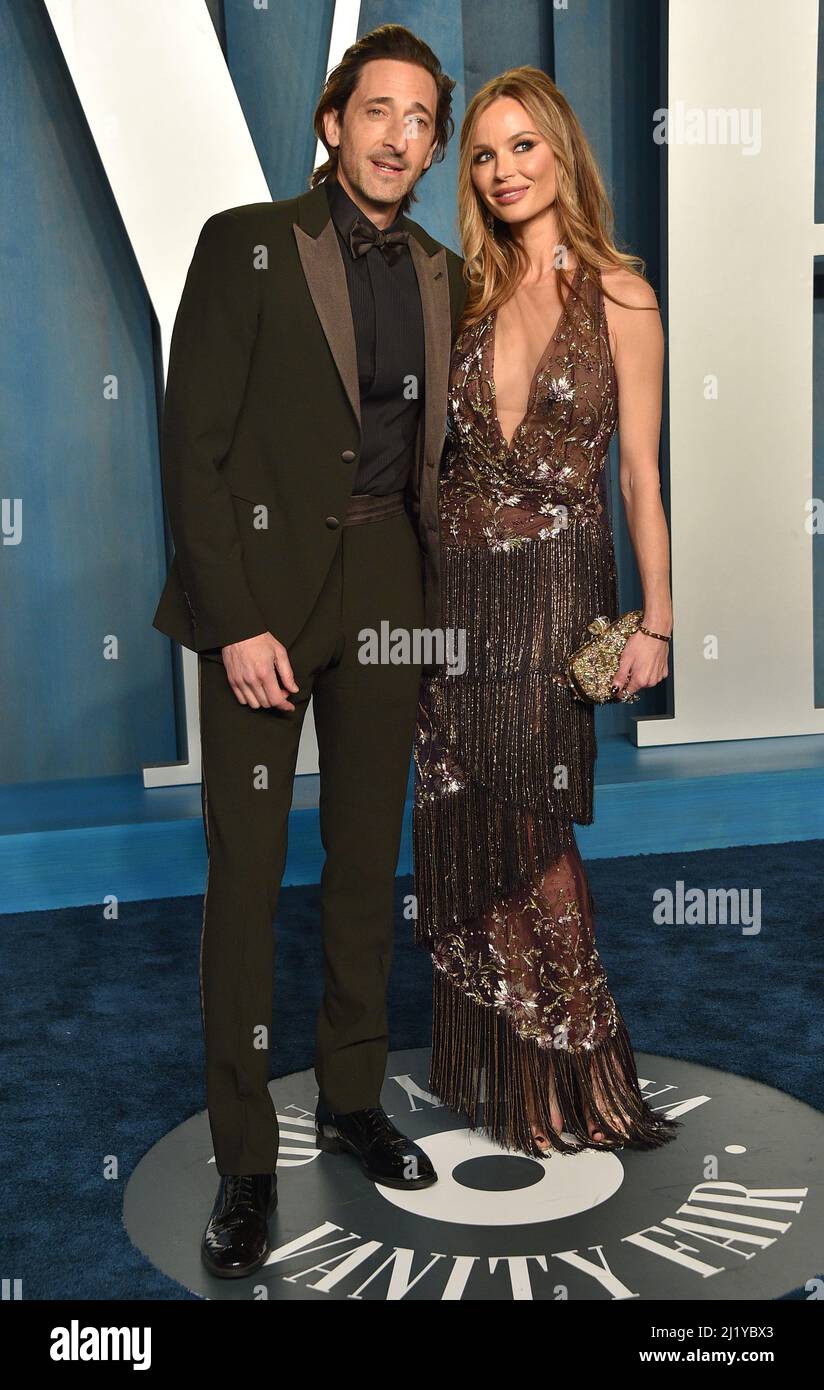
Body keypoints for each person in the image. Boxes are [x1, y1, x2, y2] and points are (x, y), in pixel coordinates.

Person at [152, 24, 466, 1278]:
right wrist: (234, 620)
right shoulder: (247, 243)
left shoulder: (441, 270)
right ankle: (243, 1161)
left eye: (421, 121)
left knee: (358, 861)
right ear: (333, 122)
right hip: (264, 598)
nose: (399, 136)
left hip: (390, 581)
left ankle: (349, 1100)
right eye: (377, 110)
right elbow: (194, 447)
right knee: (246, 878)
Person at [413, 66, 681, 1159]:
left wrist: (656, 622)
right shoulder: (460, 300)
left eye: (520, 145)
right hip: (454, 600)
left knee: (533, 828)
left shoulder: (619, 294)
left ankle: (581, 1065)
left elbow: (637, 477)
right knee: (465, 822)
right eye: (481, 155)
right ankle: (505, 1073)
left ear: (559, 154)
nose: (502, 169)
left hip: (559, 593)